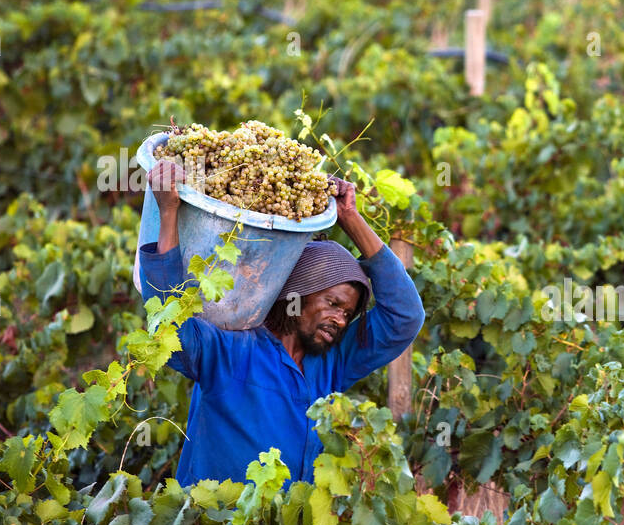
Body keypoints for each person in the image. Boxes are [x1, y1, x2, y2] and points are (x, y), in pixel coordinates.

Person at [138, 160, 425, 487]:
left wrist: (350, 219)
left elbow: (405, 317)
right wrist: (169, 213)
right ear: (295, 295)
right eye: (332, 303)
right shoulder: (232, 350)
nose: (339, 319)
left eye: (347, 314)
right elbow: (170, 331)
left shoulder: (332, 363)